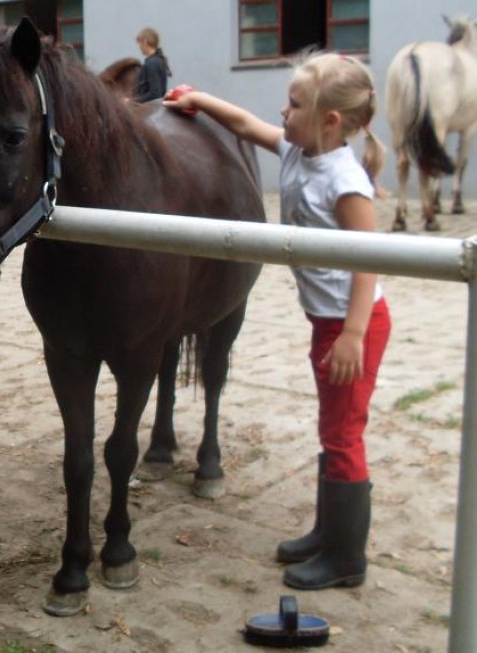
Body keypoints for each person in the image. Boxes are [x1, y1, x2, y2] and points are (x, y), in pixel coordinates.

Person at [163, 52, 391, 590]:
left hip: (352, 326)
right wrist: (198, 100)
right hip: (327, 322)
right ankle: (326, 533)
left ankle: (346, 559)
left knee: (343, 434)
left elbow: (368, 260)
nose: (281, 112)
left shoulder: (346, 181)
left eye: (292, 104)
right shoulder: (296, 148)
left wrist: (354, 333)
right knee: (332, 430)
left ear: (329, 121)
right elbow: (243, 124)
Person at [134, 27, 171, 102]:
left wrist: (133, 102)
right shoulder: (159, 60)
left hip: (150, 108)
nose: (140, 47)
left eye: (140, 43)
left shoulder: (151, 63)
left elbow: (155, 94)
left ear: (145, 42)